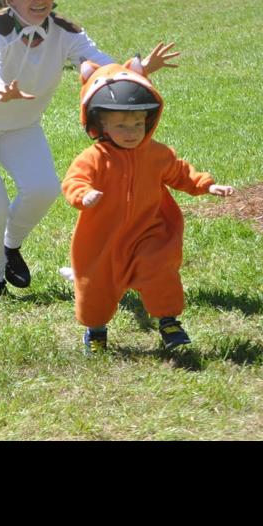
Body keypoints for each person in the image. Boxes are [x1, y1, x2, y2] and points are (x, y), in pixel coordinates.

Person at [0, 0, 177, 302]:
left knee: (43, 189)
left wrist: (136, 70)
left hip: (20, 123)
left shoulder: (67, 33)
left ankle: (8, 246)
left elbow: (101, 66)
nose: (39, 0)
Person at [62, 63, 232, 353]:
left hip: (149, 230)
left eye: (137, 125)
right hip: (102, 239)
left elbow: (179, 173)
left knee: (159, 269)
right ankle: (96, 329)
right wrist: (83, 194)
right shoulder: (93, 157)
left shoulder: (156, 154)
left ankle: (168, 321)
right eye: (121, 126)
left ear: (148, 121)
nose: (131, 133)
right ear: (100, 125)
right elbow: (74, 180)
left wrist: (206, 185)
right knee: (96, 288)